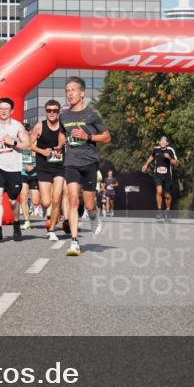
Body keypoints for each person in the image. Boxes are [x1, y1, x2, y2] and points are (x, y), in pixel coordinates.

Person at [60, 76, 111, 256]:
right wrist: (57, 147)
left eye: (73, 90)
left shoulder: (91, 114)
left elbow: (106, 137)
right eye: (67, 91)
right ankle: (74, 242)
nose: (70, 94)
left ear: (82, 93)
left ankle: (94, 217)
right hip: (71, 162)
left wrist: (87, 136)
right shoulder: (63, 115)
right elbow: (62, 135)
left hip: (89, 161)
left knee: (89, 205)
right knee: (73, 200)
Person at [0, 97, 31, 241]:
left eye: (6, 109)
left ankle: (16, 225)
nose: (3, 111)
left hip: (14, 168)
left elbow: (27, 144)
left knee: (12, 201)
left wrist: (14, 142)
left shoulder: (17, 126)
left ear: (12, 111)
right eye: (1, 108)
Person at [31, 99, 67, 241]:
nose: (52, 113)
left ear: (58, 112)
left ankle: (51, 230)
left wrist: (60, 146)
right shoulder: (39, 126)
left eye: (55, 111)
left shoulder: (63, 127)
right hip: (44, 167)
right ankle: (50, 212)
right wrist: (42, 151)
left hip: (59, 167)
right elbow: (29, 144)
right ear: (46, 112)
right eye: (49, 110)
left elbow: (67, 141)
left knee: (56, 199)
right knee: (46, 202)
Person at [142, 136, 178, 222]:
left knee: (167, 195)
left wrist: (169, 158)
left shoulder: (170, 150)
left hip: (167, 176)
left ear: (167, 143)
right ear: (159, 142)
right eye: (161, 141)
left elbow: (175, 163)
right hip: (157, 174)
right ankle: (159, 211)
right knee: (159, 191)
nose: (162, 142)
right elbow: (152, 156)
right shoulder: (156, 149)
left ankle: (168, 211)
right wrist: (146, 164)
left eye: (164, 141)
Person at [19, 126, 40, 230]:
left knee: (36, 201)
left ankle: (39, 207)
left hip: (35, 175)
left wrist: (34, 165)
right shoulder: (19, 143)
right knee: (23, 196)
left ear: (30, 132)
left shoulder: (36, 143)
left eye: (27, 132)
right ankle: (27, 221)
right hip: (23, 174)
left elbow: (43, 159)